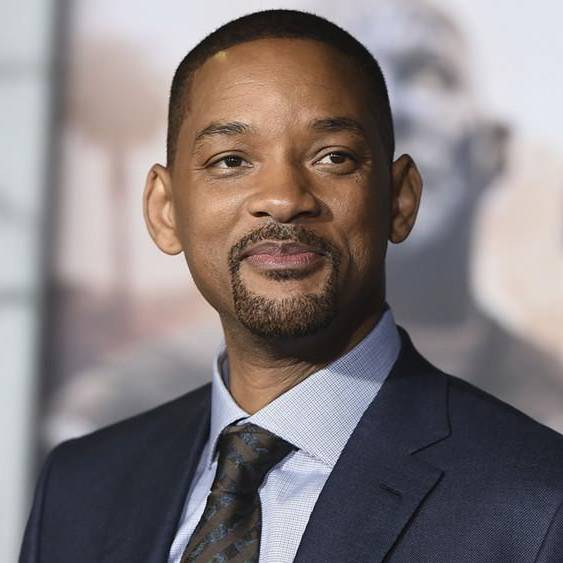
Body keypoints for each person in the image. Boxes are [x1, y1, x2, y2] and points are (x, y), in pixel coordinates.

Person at [20, 9, 563, 563]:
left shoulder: (539, 504)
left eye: (333, 157)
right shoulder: (78, 487)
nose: (282, 198)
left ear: (400, 199)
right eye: (231, 160)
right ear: (165, 210)